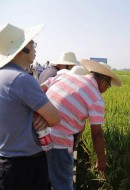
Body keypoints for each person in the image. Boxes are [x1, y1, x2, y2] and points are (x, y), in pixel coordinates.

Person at [42, 59, 122, 189]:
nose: (107, 89)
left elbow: (39, 90)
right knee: (63, 185)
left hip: (36, 134)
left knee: (41, 178)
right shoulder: (96, 99)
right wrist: (102, 161)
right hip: (58, 144)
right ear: (102, 81)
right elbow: (97, 134)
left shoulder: (64, 74)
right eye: (108, 85)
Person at [0, 23, 61, 189]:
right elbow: (55, 118)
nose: (34, 48)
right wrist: (41, 116)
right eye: (31, 43)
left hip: (6, 161)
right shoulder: (21, 79)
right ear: (22, 49)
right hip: (26, 165)